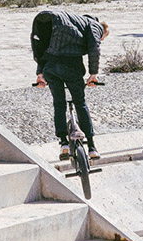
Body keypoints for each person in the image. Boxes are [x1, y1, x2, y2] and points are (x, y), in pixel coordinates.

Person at [30, 10, 108, 160]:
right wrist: (93, 75)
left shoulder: (69, 26)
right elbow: (94, 48)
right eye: (103, 38)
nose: (101, 39)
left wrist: (40, 75)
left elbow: (42, 48)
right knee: (80, 102)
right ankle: (92, 147)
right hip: (72, 66)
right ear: (104, 31)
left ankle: (63, 143)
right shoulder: (95, 25)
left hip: (51, 67)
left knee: (59, 103)